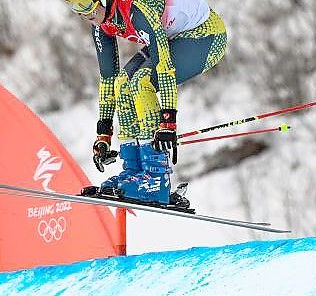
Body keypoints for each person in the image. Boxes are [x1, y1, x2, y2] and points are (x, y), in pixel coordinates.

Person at [64, 0, 227, 208]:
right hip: (173, 37)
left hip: (205, 36)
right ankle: (134, 170)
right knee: (123, 83)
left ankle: (156, 176)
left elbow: (164, 67)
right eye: (77, 8)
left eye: (86, 6)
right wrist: (103, 133)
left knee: (142, 81)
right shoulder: (101, 23)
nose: (84, 14)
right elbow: (108, 79)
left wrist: (168, 123)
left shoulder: (138, 9)